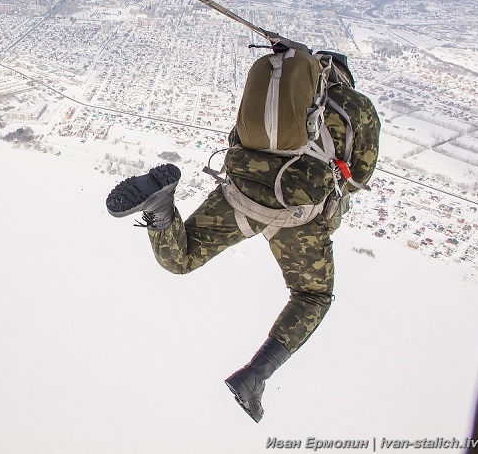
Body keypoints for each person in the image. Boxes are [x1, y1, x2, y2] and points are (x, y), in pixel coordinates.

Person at [106, 48, 380, 422]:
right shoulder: (358, 106)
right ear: (343, 76)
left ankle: (160, 209)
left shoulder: (280, 88)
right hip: (299, 214)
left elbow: (240, 133)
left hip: (240, 192)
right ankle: (255, 376)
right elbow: (360, 176)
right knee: (313, 296)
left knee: (181, 260)